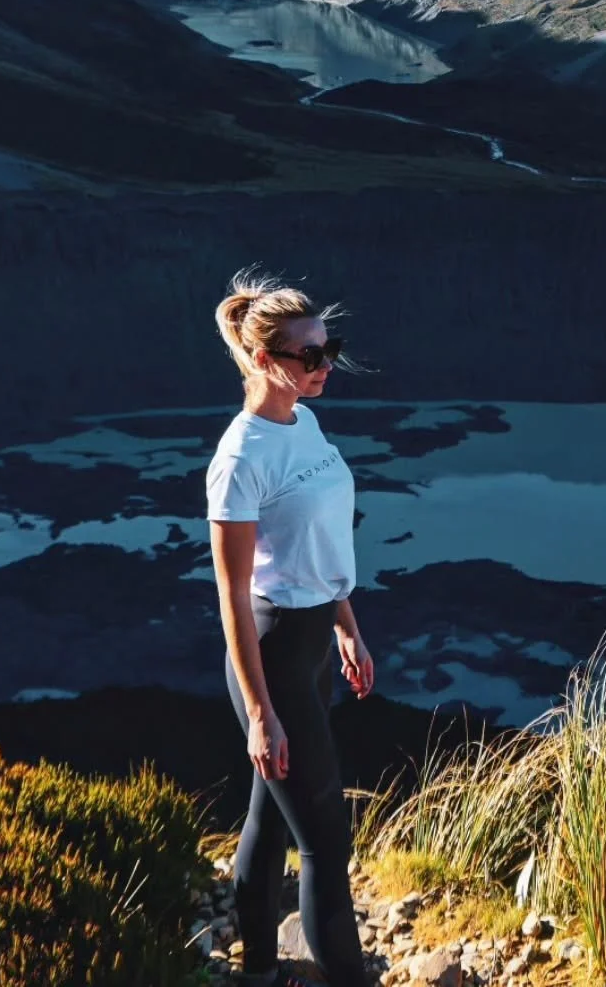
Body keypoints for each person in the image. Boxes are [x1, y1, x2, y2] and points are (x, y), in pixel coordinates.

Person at [206, 272, 375, 987]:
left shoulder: (303, 421)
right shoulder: (240, 459)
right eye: (311, 354)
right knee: (325, 843)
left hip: (312, 642)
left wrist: (347, 625)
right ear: (268, 362)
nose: (325, 363)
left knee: (268, 816)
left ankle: (260, 971)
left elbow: (319, 544)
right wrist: (261, 712)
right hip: (271, 655)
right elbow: (234, 598)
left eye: (327, 346)